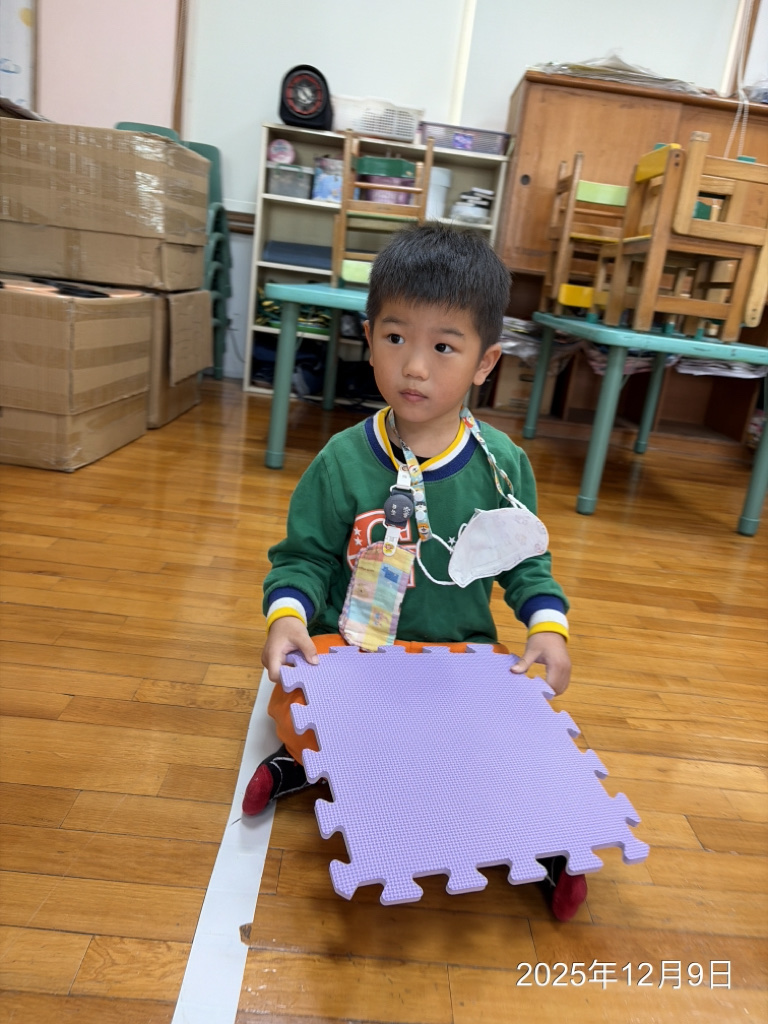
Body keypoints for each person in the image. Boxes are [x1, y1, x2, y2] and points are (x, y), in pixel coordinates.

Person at [244, 224, 585, 921]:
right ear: (369, 339)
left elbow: (527, 564)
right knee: (297, 698)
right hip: (358, 655)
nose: (415, 368)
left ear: (486, 362)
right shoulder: (342, 460)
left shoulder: (503, 465)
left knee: (510, 738)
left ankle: (548, 843)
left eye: (444, 347)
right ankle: (300, 762)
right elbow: (304, 557)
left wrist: (548, 628)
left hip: (457, 661)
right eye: (396, 338)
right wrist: (287, 616)